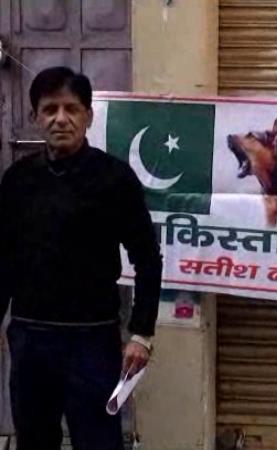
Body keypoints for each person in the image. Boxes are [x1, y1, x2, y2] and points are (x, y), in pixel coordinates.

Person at [0, 66, 162, 449]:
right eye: (49, 109)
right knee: (34, 440)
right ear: (35, 117)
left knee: (99, 442)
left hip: (93, 340)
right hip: (30, 338)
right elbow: (3, 261)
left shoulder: (115, 179)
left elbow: (147, 258)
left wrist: (141, 334)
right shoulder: (18, 180)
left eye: (71, 109)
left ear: (88, 116)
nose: (61, 119)